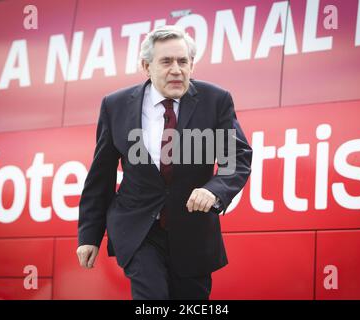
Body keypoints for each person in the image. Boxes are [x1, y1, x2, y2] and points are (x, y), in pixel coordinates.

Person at [77, 25, 253, 300]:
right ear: (146, 66)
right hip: (138, 229)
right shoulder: (116, 105)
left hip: (192, 233)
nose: (176, 69)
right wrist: (89, 235)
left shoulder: (216, 100)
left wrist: (214, 190)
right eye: (166, 61)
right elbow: (101, 174)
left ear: (192, 65)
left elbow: (237, 158)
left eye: (183, 61)